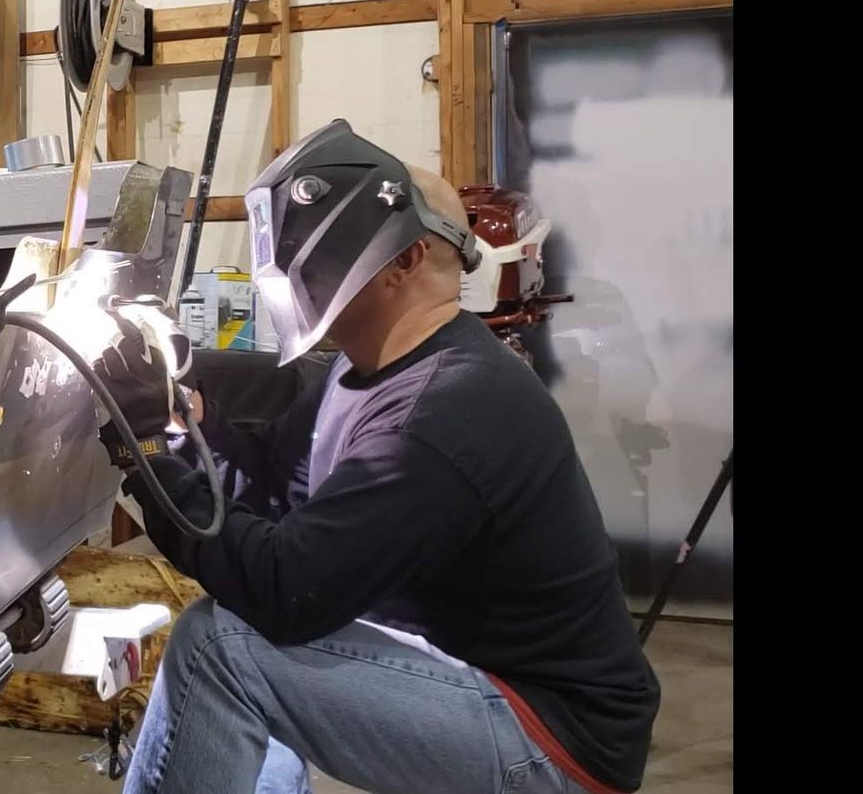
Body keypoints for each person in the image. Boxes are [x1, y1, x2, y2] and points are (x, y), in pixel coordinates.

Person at [89, 120, 659, 794]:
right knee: (247, 660)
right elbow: (276, 488)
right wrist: (189, 422)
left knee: (222, 646)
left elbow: (286, 589)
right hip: (468, 680)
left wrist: (146, 451)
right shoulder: (367, 371)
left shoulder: (451, 405)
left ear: (409, 259)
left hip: (551, 739)